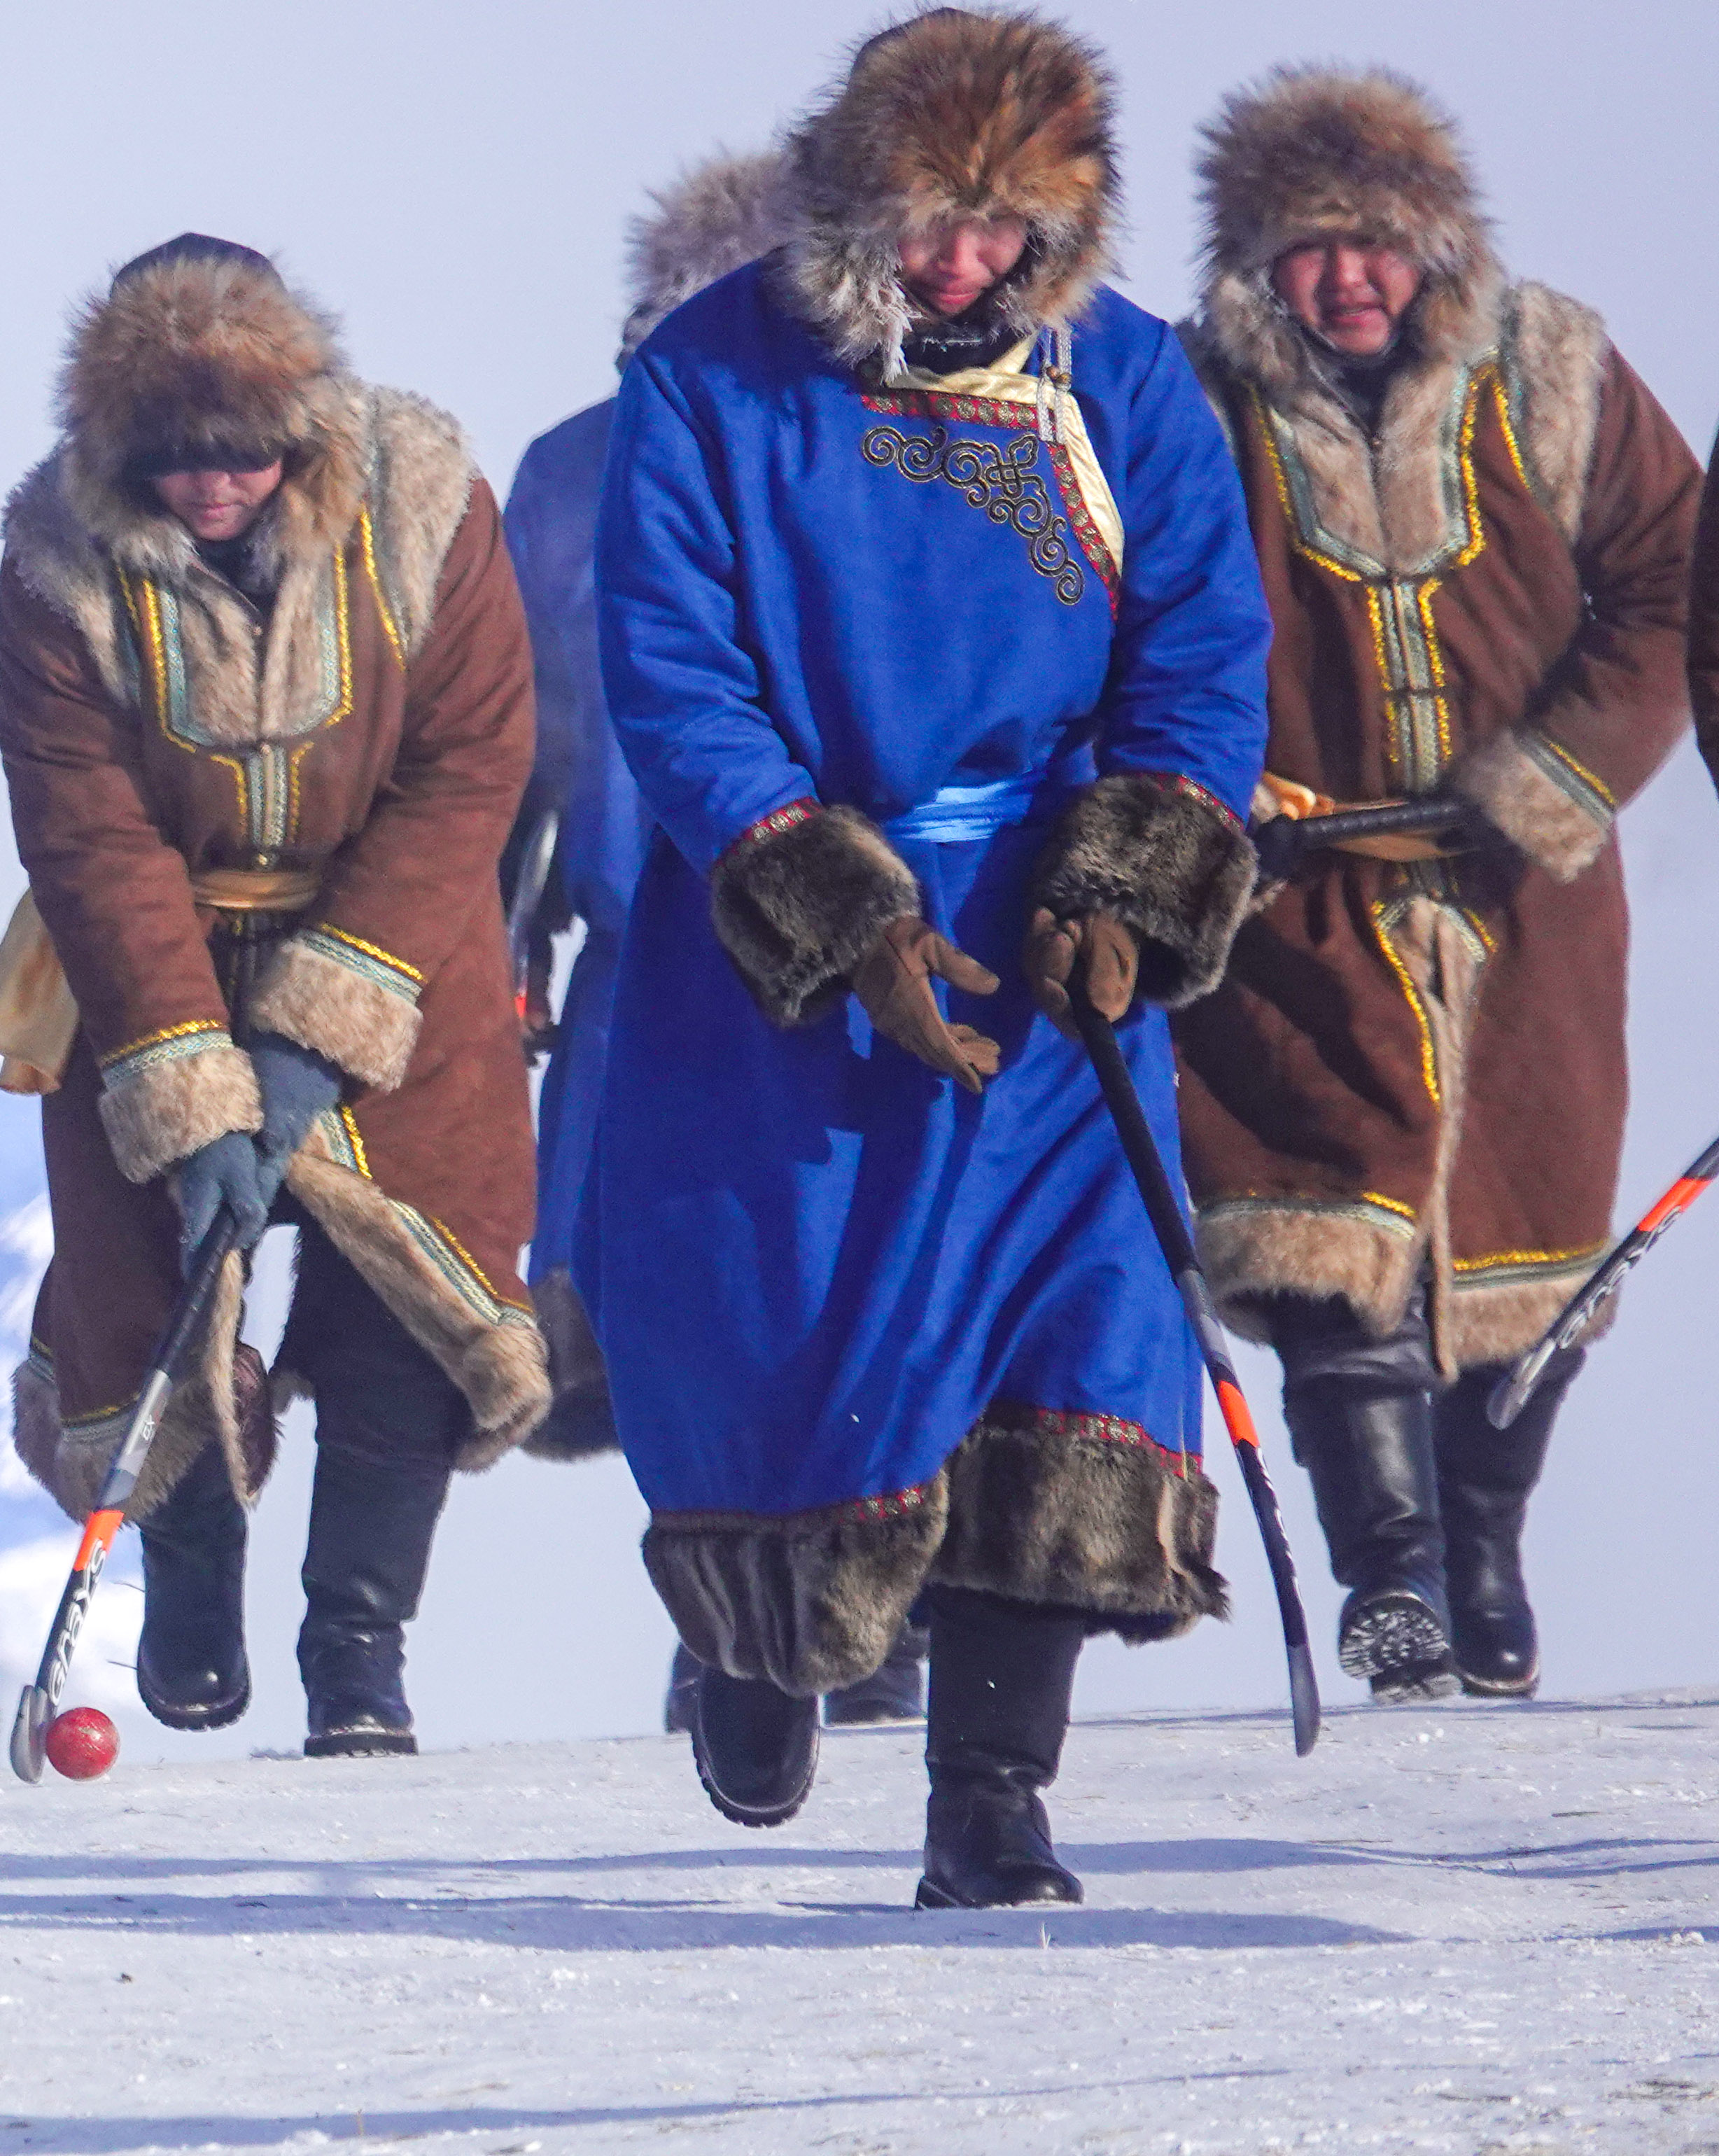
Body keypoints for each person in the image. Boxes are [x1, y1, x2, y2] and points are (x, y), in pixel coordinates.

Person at [593, 9, 1272, 1908]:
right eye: (924, 223)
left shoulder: (1126, 387)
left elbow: (1200, 654)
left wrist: (1131, 881)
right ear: (848, 205)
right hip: (790, 965)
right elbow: (675, 668)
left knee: (1064, 1349)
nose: (957, 264)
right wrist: (832, 900)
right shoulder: (711, 384)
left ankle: (992, 1798)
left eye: (998, 231)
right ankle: (758, 1639)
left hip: (1055, 962)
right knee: (790, 1340)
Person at [1172, 68, 1702, 1706]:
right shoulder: (1192, 402)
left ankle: (1484, 1549)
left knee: (1526, 1245)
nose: (1347, 280)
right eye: (1310, 248)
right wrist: (1204, 774)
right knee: (1331, 1234)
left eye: (1377, 246)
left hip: (1526, 896)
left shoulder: (1554, 372)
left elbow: (1672, 586)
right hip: (1298, 888)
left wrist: (1554, 779)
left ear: (1436, 250)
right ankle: (1388, 1580)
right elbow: (1139, 609)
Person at [0, 234, 549, 1760]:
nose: (210, 488)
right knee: (150, 1284)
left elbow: (469, 770)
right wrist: (187, 1078)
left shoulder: (428, 510)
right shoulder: (55, 562)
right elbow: (89, 830)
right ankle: (189, 1566)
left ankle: (357, 1641)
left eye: (238, 457)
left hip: (401, 951)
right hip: (146, 956)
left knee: (405, 1294)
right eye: (172, 462)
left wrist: (314, 1036)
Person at [496, 150, 934, 1735]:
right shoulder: (566, 472)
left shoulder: (883, 454)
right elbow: (510, 733)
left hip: (862, 951)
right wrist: (502, 936)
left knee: (861, 1290)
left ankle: (878, 1619)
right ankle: (733, 1629)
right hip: (647, 961)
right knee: (667, 1311)